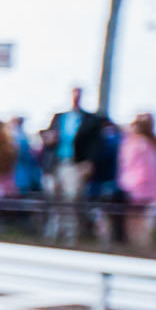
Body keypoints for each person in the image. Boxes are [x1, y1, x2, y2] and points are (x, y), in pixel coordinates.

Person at [47, 87, 107, 243]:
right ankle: (53, 234)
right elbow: (49, 139)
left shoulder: (91, 120)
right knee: (55, 198)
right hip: (57, 163)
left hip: (75, 165)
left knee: (71, 199)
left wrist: (89, 163)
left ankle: (70, 236)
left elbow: (95, 145)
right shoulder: (59, 117)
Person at [118, 112, 156, 240]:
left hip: (137, 188)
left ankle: (137, 247)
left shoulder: (136, 144)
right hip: (150, 190)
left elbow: (131, 167)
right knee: (143, 225)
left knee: (135, 224)